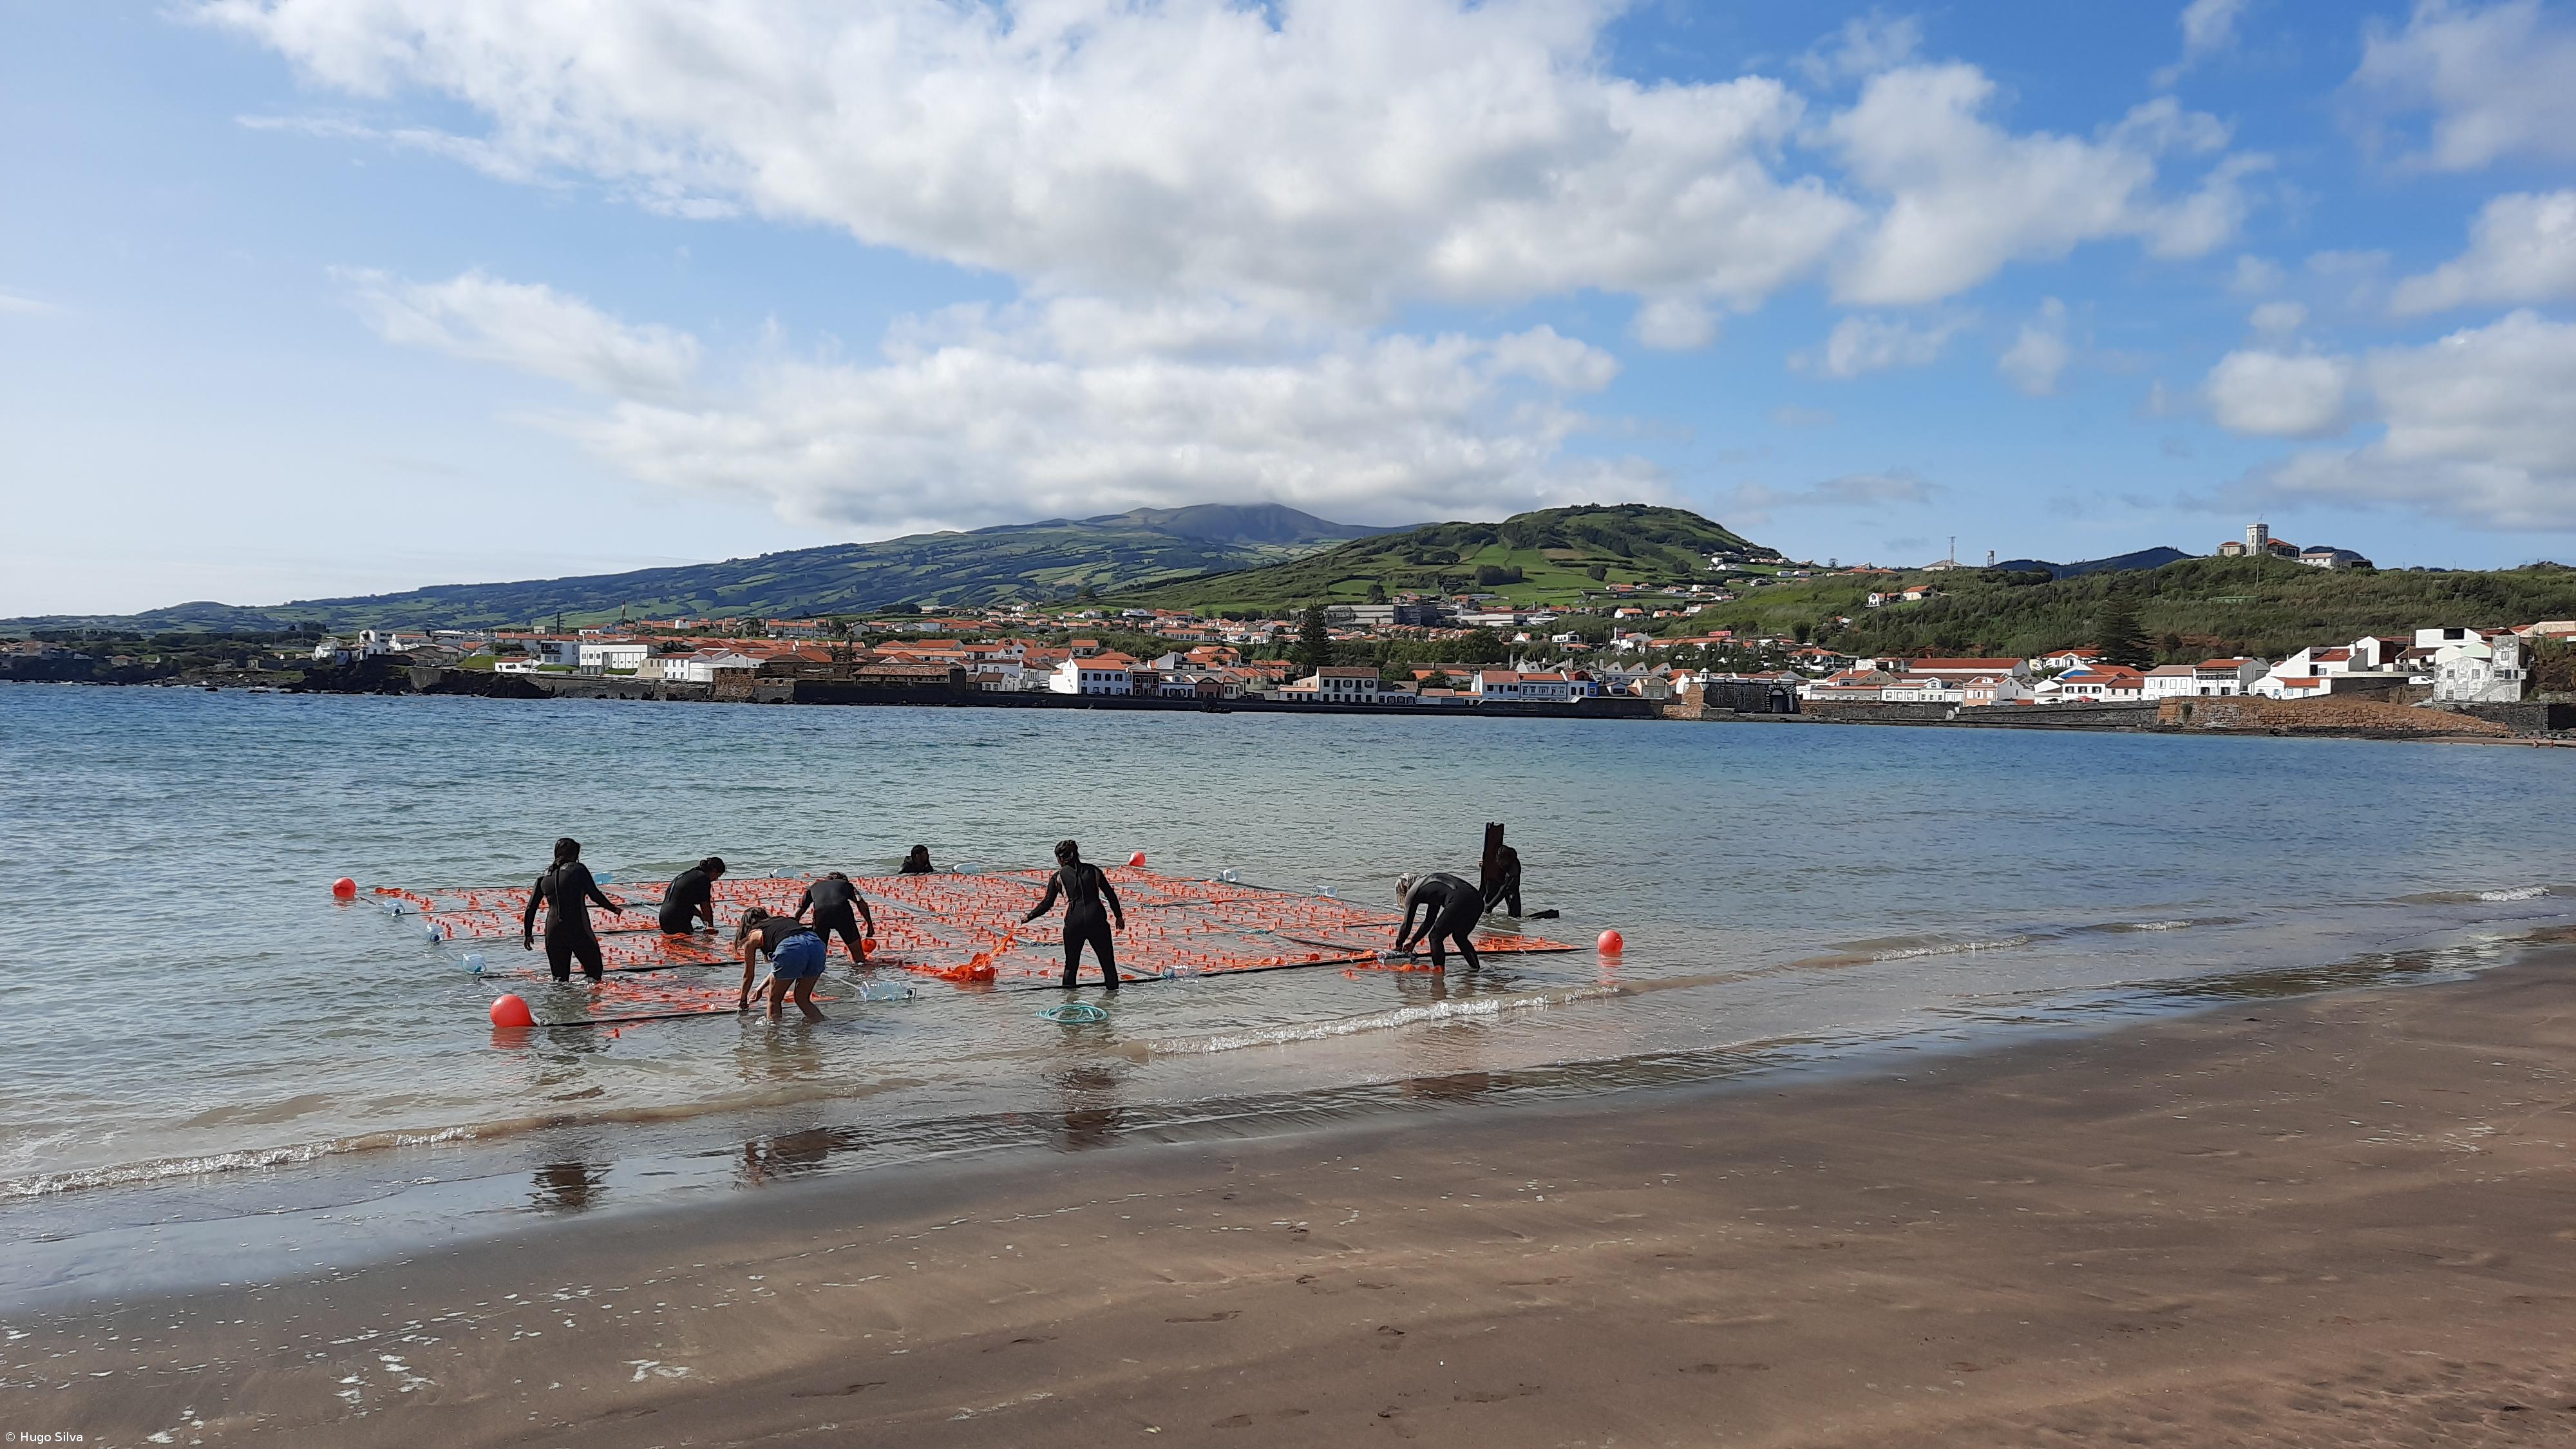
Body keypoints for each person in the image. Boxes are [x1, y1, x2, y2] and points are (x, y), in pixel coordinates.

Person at [1022, 838, 1126, 990]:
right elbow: (1110, 894)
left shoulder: (1058, 877)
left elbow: (1047, 904)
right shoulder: (1094, 871)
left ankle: (1069, 1006)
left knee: (1071, 965)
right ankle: (1114, 1004)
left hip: (1074, 921)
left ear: (1060, 859)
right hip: (1096, 918)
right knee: (1108, 964)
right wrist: (1118, 916)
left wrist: (1028, 917)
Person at [520, 837, 626, 981]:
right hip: (578, 929)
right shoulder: (578, 870)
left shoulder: (543, 877)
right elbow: (595, 895)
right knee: (595, 975)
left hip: (553, 932)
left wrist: (528, 935)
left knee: (559, 980)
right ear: (575, 855)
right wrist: (613, 909)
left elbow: (531, 908)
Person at [734, 906, 827, 1021]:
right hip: (816, 944)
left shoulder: (753, 935)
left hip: (790, 947)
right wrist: (760, 989)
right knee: (802, 999)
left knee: (774, 1000)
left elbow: (748, 975)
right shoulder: (781, 922)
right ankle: (822, 1026)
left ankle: (773, 1037)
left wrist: (743, 999)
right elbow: (779, 969)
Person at [1393, 871, 1483, 972]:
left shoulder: (1413, 892)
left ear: (1405, 888)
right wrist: (1414, 941)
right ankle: (1476, 970)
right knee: (1459, 936)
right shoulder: (1431, 887)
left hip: (1459, 900)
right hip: (1477, 900)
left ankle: (1439, 973)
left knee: (1435, 937)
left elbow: (1407, 925)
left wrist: (1399, 945)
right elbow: (1429, 921)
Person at [795, 870, 876, 963]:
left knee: (819, 953)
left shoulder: (813, 887)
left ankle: (819, 974)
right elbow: (861, 903)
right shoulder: (848, 885)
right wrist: (870, 925)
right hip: (843, 915)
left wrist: (795, 923)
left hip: (821, 917)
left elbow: (802, 908)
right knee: (858, 955)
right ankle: (860, 970)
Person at [658, 856, 727, 935]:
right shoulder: (704, 879)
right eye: (718, 876)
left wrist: (701, 916)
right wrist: (710, 926)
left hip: (664, 918)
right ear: (714, 871)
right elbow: (705, 906)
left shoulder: (690, 874)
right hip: (677, 921)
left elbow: (683, 902)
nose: (716, 879)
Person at [1481, 843, 1523, 919]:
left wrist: (1489, 908)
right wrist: (1485, 865)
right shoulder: (1500, 854)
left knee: (1515, 917)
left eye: (1501, 862)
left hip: (1511, 888)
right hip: (1500, 879)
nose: (1498, 862)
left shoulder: (1513, 872)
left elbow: (1502, 891)